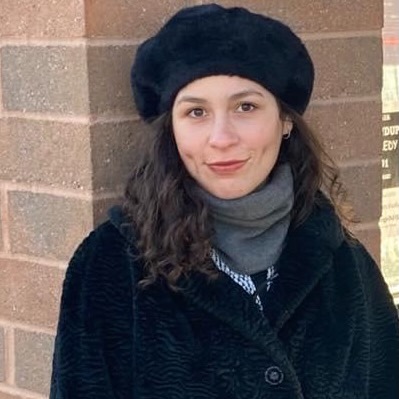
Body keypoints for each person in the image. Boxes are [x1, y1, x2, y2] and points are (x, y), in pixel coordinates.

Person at [50, 4, 399, 399]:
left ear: (285, 120)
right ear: (173, 131)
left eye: (245, 107)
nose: (221, 138)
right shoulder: (111, 266)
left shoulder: (338, 258)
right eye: (196, 112)